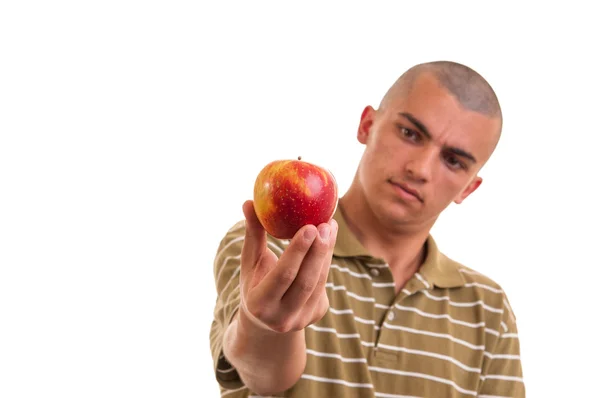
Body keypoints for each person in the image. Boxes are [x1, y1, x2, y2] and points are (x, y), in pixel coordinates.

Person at [209, 60, 525, 397]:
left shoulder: (488, 308)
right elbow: (264, 376)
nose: (419, 169)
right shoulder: (266, 252)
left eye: (453, 161)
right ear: (367, 125)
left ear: (468, 188)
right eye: (410, 133)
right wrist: (263, 327)